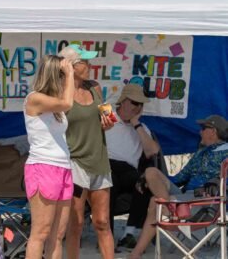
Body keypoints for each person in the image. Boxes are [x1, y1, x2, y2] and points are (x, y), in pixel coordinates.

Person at [129, 114, 228, 259]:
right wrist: (148, 180)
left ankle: (135, 254)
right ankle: (172, 209)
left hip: (206, 200)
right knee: (151, 172)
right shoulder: (200, 154)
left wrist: (218, 181)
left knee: (154, 203)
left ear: (213, 131)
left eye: (203, 128)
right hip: (184, 197)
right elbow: (179, 178)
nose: (200, 132)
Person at [60, 44, 115, 259]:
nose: (90, 65)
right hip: (74, 161)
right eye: (86, 62)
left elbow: (106, 116)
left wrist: (108, 123)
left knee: (102, 221)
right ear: (72, 66)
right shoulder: (61, 92)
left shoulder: (95, 87)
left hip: (99, 160)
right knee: (77, 223)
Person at [23, 54, 74, 259]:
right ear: (56, 75)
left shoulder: (55, 105)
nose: (66, 81)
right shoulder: (34, 98)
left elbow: (65, 103)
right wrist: (69, 73)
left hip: (63, 167)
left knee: (58, 235)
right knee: (41, 233)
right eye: (62, 76)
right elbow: (68, 103)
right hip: (42, 166)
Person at [104, 84, 160, 249]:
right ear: (123, 101)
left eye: (141, 104)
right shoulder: (109, 116)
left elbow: (152, 151)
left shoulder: (141, 128)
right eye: (135, 102)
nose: (138, 107)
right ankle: (107, 238)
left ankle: (129, 234)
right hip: (106, 165)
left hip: (128, 170)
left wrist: (136, 125)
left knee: (143, 182)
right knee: (108, 185)